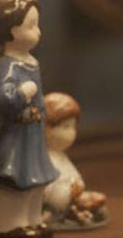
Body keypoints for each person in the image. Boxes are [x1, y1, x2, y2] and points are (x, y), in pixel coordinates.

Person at [0, 0, 58, 238]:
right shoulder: (7, 64)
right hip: (13, 137)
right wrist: (22, 93)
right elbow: (3, 99)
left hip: (32, 135)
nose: (38, 32)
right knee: (12, 179)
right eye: (31, 26)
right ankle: (4, 225)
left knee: (35, 177)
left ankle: (32, 219)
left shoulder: (31, 62)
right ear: (9, 31)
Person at [42, 92, 107, 229]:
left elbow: (72, 176)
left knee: (98, 198)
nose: (71, 133)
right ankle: (59, 215)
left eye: (73, 127)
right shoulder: (45, 159)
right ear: (45, 129)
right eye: (65, 127)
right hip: (61, 202)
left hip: (72, 198)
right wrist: (70, 193)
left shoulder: (61, 156)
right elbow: (47, 191)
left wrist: (78, 186)